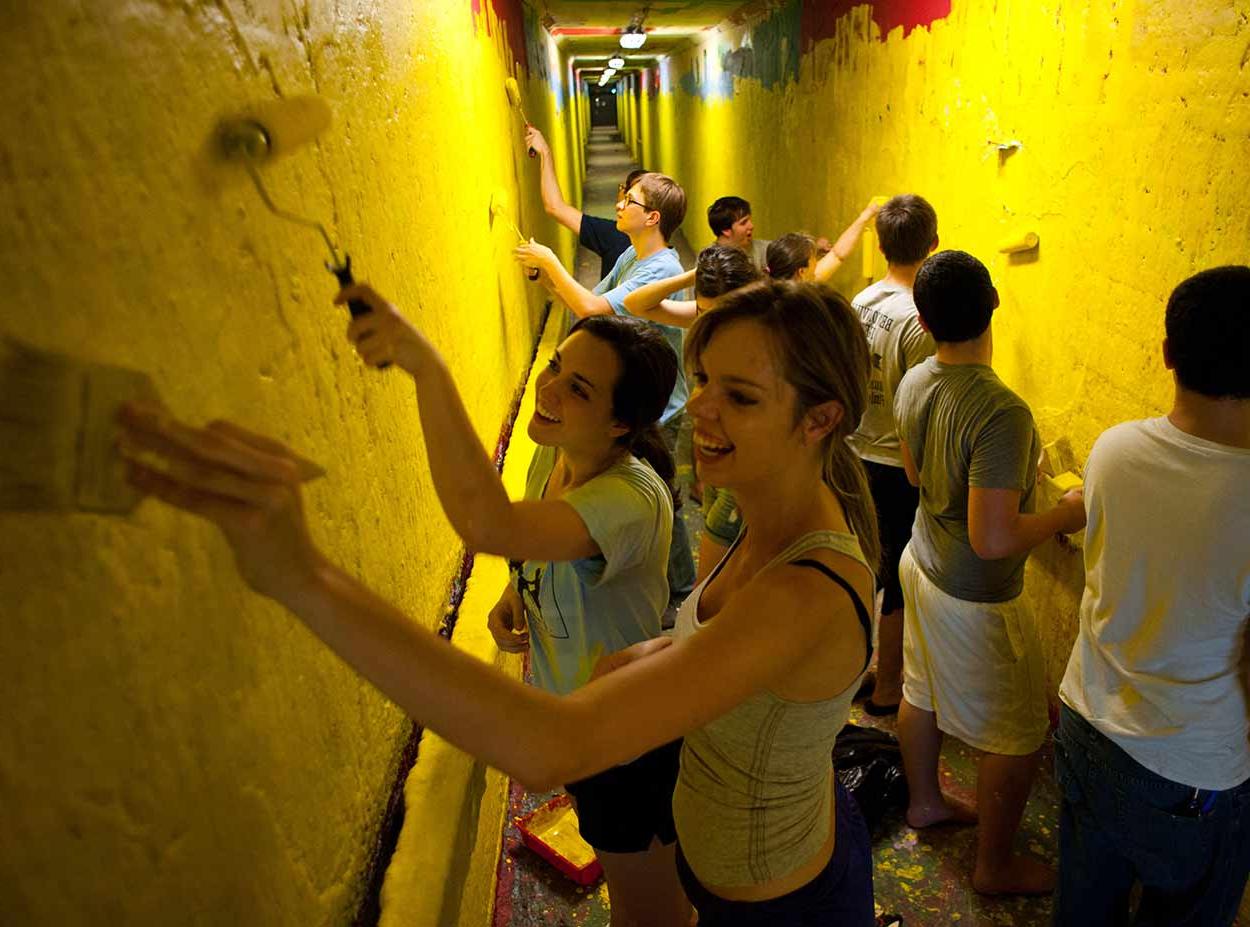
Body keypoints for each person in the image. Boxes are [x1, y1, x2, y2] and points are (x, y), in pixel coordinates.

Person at [118, 279, 881, 926]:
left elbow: (552, 745)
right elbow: (719, 645)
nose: (702, 410)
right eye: (705, 378)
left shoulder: (801, 588)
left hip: (783, 902)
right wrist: (641, 657)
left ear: (820, 420)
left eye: (739, 395)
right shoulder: (764, 516)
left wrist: (302, 575)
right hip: (740, 863)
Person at [1053, 266, 1250, 926]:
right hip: (1191, 765)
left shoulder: (1113, 448)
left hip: (1087, 721)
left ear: (1167, 353)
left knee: (1083, 904)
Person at [893, 250, 1086, 895]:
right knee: (1021, 731)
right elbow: (994, 537)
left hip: (919, 560)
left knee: (920, 690)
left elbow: (919, 475)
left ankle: (925, 802)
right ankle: (994, 867)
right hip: (973, 595)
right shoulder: (1002, 411)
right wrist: (1062, 513)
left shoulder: (915, 380)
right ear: (994, 304)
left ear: (922, 319)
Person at [514, 172, 696, 603]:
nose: (618, 204)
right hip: (631, 399)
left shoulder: (662, 268)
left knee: (660, 496)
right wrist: (550, 283)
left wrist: (553, 261)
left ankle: (679, 586)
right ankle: (674, 579)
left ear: (652, 217)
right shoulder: (631, 256)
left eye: (628, 200)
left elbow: (594, 307)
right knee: (657, 492)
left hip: (655, 406)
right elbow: (592, 308)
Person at [847, 194, 939, 716]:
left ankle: (855, 668)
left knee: (864, 569)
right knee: (898, 580)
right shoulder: (918, 320)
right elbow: (917, 401)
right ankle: (887, 687)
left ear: (879, 245)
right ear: (933, 245)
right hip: (894, 461)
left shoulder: (864, 302)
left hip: (857, 449)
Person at [524, 125, 638, 279]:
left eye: (625, 191)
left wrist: (545, 152)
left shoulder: (615, 237)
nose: (619, 202)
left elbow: (555, 207)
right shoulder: (668, 264)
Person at [762, 201, 881, 284]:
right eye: (814, 258)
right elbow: (836, 255)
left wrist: (865, 216)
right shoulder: (799, 306)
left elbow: (837, 255)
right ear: (802, 272)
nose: (818, 261)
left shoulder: (795, 283)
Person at [707, 195, 771, 271]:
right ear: (726, 230)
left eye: (750, 220)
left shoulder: (767, 250)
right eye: (743, 223)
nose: (751, 226)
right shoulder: (708, 262)